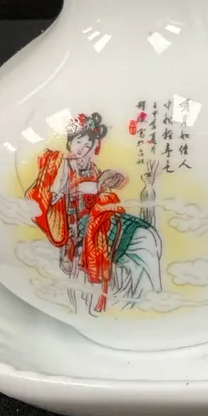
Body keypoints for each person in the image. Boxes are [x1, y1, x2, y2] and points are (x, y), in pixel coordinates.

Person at [24, 112, 163, 313]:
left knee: (145, 233)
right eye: (79, 141)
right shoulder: (60, 163)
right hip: (78, 225)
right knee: (141, 238)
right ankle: (145, 299)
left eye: (88, 145)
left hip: (99, 217)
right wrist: (80, 187)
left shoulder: (92, 168)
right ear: (70, 142)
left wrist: (104, 184)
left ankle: (144, 299)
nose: (82, 148)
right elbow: (53, 196)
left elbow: (100, 195)